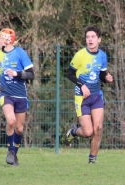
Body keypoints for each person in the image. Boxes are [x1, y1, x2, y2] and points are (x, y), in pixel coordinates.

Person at [64, 25, 113, 164]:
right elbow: (69, 74)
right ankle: (73, 132)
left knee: (98, 128)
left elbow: (102, 75)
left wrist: (107, 78)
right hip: (82, 97)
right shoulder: (80, 55)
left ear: (99, 39)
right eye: (87, 37)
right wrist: (82, 85)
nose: (90, 39)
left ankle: (92, 160)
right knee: (88, 132)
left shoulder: (102, 56)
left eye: (93, 37)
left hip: (97, 96)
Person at [0, 28, 34, 166]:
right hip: (5, 93)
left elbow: (31, 75)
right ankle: (10, 151)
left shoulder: (20, 53)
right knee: (11, 121)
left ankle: (14, 154)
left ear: (6, 40)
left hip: (20, 95)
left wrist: (17, 74)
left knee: (19, 128)